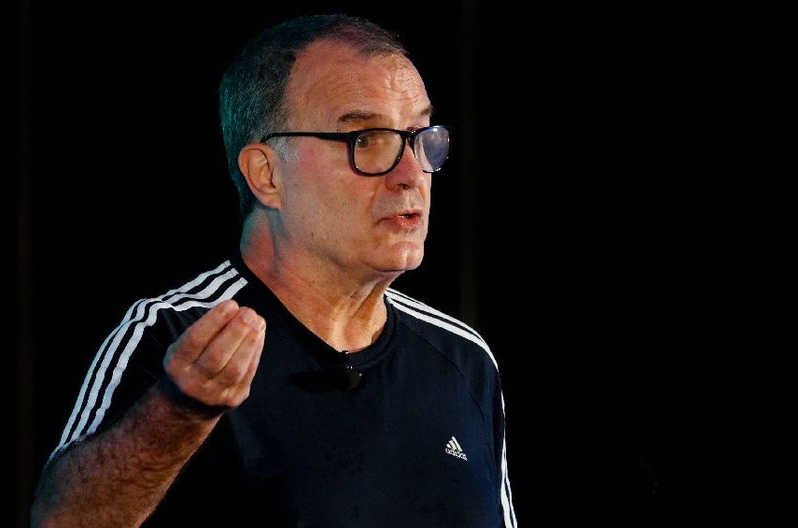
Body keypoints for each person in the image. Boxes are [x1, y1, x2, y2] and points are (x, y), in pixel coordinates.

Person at [31, 14, 517, 527]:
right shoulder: (175, 335)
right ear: (266, 175)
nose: (412, 173)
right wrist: (180, 411)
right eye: (367, 139)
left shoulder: (463, 359)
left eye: (420, 136)